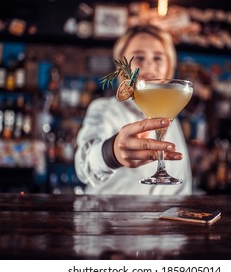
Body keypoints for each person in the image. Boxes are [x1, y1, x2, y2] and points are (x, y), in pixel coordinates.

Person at [74, 24, 192, 195]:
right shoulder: (105, 109)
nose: (149, 65)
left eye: (158, 58)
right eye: (139, 57)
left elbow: (183, 185)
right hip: (110, 219)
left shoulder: (172, 117)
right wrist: (112, 152)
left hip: (166, 220)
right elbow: (83, 166)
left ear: (169, 65)